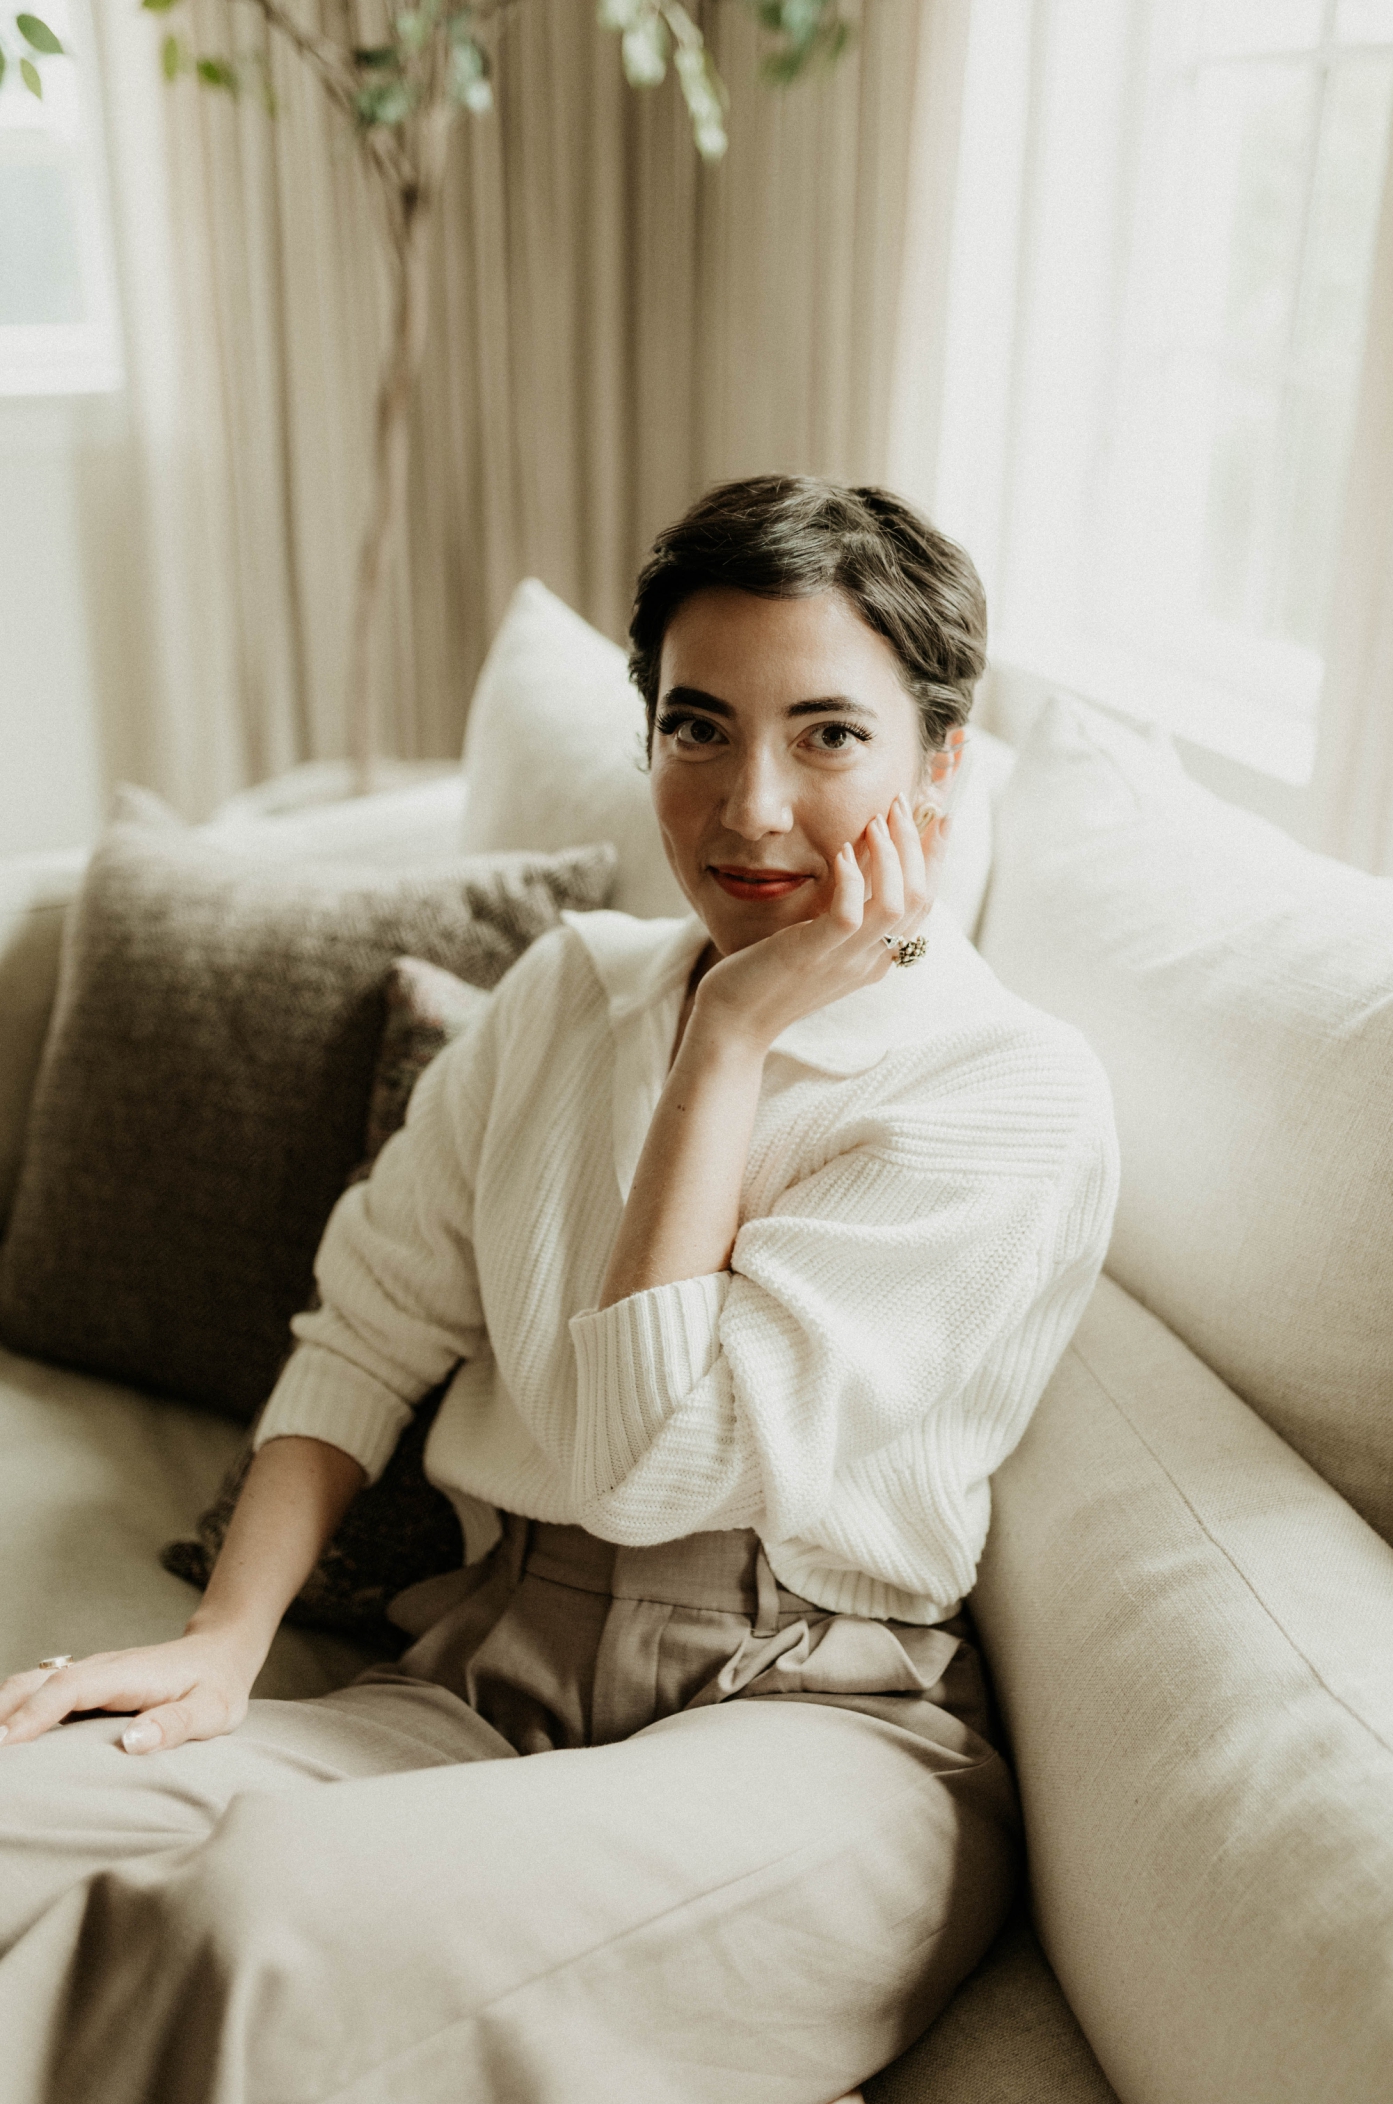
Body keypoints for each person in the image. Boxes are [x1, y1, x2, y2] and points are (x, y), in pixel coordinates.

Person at [0, 476, 1118, 2104]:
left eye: (827, 735)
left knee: (251, 1928)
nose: (747, 808)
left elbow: (640, 1456)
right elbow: (368, 1326)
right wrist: (224, 1642)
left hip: (806, 1732)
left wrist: (728, 1040)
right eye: (698, 727)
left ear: (941, 765)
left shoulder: (1010, 1094)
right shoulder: (568, 990)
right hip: (478, 1673)